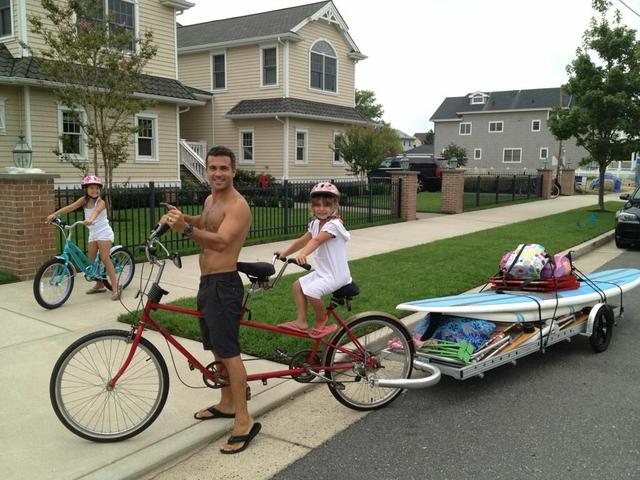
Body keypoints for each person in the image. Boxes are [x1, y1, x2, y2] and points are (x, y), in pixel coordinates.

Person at [160, 145, 260, 454]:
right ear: (207, 170)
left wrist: (185, 229)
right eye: (213, 168)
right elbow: (206, 223)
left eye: (224, 168)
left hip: (224, 285)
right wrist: (179, 218)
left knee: (229, 352)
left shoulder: (238, 205)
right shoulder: (210, 200)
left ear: (234, 171)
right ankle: (227, 403)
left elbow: (221, 241)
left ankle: (244, 420)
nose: (218, 173)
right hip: (207, 284)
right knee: (217, 348)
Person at [275, 182, 351, 339]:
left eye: (327, 205)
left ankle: (321, 318)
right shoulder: (315, 223)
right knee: (297, 286)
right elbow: (302, 240)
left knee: (312, 291)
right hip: (324, 273)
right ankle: (301, 322)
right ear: (312, 206)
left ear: (335, 206)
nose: (321, 209)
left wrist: (303, 254)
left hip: (337, 275)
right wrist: (285, 253)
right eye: (317, 205)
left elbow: (316, 241)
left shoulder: (334, 225)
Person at [46, 175, 120, 300]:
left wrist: (91, 219)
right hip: (93, 234)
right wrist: (54, 214)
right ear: (86, 189)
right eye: (91, 188)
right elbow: (70, 207)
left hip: (104, 233)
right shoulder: (84, 200)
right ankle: (100, 284)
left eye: (97, 188)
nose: (94, 190)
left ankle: (115, 288)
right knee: (91, 261)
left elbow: (96, 212)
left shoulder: (101, 202)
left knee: (105, 259)